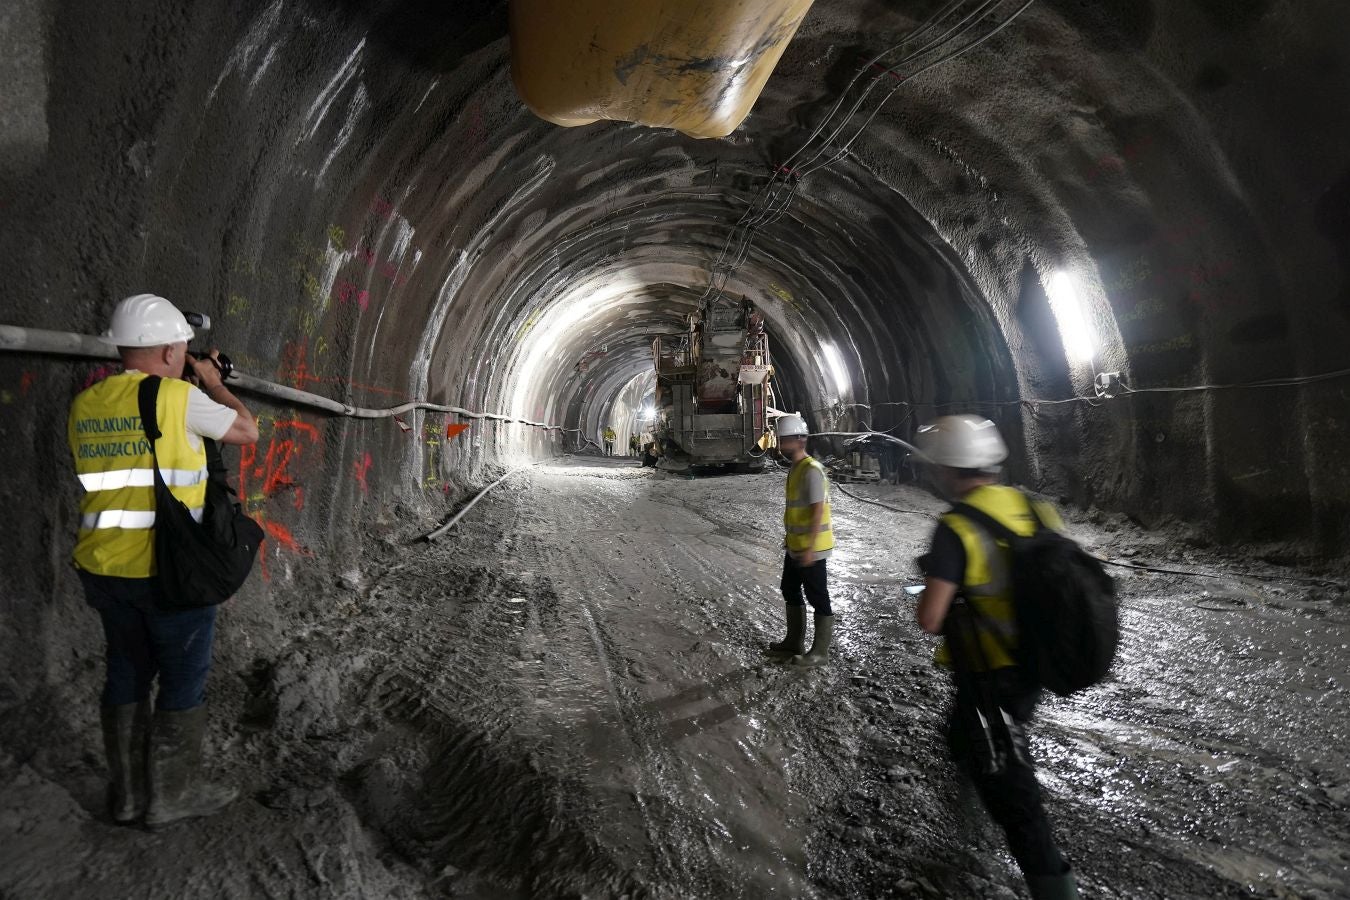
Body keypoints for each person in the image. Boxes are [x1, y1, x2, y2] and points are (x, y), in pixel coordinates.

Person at [68, 293, 259, 828]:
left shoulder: (87, 404)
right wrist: (215, 383)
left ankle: (127, 796)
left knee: (125, 672)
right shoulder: (178, 398)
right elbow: (247, 432)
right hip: (171, 573)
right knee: (181, 679)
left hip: (105, 570)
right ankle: (172, 795)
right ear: (174, 350)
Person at [912, 415, 1078, 899]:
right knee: (962, 733)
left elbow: (930, 618)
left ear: (948, 469)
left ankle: (1055, 887)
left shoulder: (956, 528)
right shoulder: (1036, 508)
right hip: (1038, 662)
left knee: (1015, 797)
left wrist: (939, 585)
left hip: (990, 674)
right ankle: (966, 811)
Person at [765, 414, 835, 667]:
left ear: (799, 440)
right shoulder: (796, 468)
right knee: (789, 589)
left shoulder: (812, 470)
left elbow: (818, 510)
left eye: (784, 440)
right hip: (796, 546)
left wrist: (808, 546)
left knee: (818, 596)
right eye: (780, 439)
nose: (780, 445)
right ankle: (794, 641)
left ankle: (820, 653)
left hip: (812, 549)